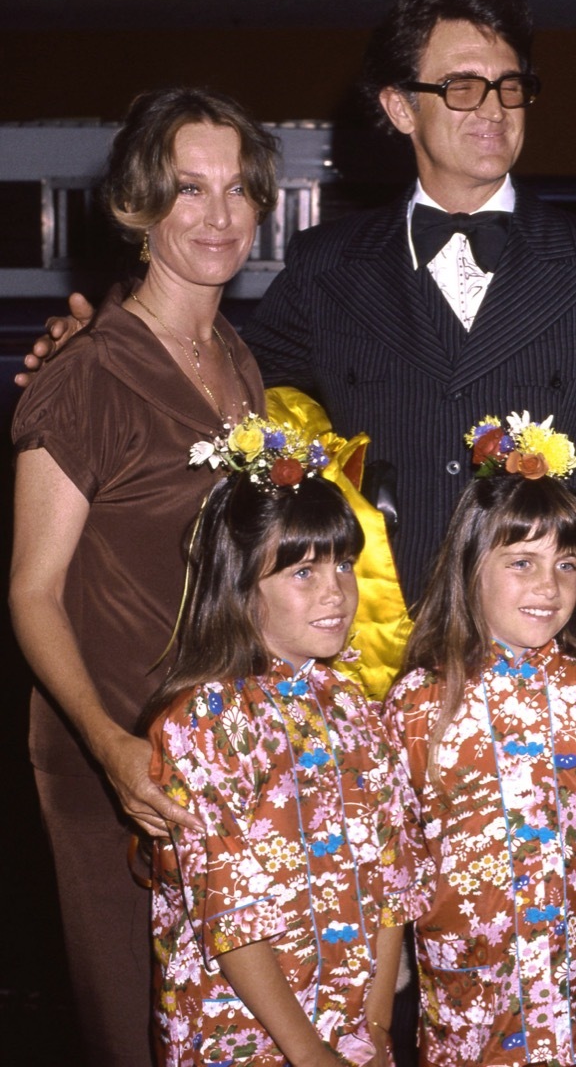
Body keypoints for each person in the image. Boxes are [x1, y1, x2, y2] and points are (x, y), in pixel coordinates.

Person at [19, 0, 576, 806]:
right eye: (463, 85)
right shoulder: (327, 267)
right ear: (400, 107)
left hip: (550, 689)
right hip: (368, 695)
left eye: (510, 86)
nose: (493, 108)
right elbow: (208, 374)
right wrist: (89, 339)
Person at [9, 85, 277, 1066]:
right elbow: (31, 591)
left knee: (227, 1030)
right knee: (137, 1026)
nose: (218, 216)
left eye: (237, 189)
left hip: (222, 749)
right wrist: (111, 746)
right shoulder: (87, 374)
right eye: (188, 189)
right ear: (136, 206)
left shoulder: (235, 359)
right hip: (120, 754)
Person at [141, 422, 430, 1067]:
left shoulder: (352, 707)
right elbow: (228, 914)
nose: (336, 592)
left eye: (344, 565)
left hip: (352, 1027)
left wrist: (375, 1028)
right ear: (242, 586)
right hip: (244, 1034)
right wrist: (308, 1053)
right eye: (304, 572)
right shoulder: (206, 721)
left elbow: (391, 876)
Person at [383, 413, 576, 1067]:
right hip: (471, 1005)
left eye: (566, 564)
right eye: (523, 562)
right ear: (471, 566)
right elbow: (391, 870)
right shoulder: (419, 706)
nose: (549, 587)